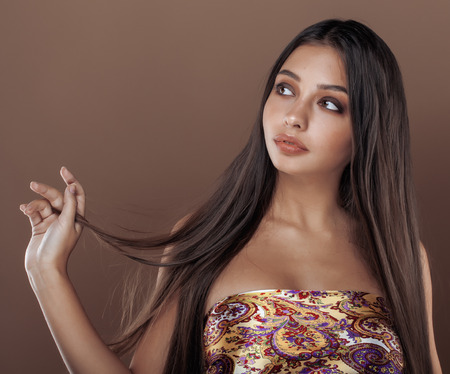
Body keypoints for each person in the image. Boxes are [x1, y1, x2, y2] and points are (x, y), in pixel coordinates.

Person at [20, 19, 442, 374]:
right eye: (285, 89)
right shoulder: (207, 236)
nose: (294, 116)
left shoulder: (400, 255)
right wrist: (46, 271)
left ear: (368, 130)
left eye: (330, 104)